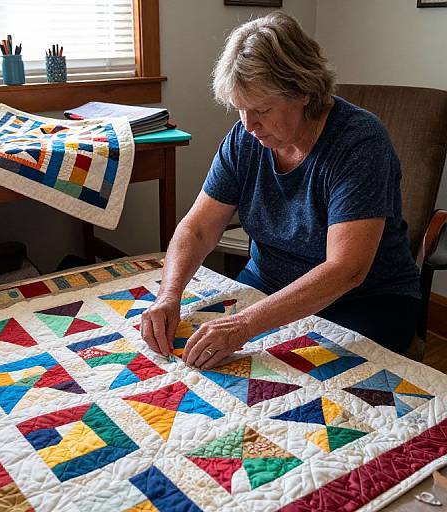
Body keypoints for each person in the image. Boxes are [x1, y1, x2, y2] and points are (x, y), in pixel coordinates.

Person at [140, 12, 421, 368]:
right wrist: (169, 295)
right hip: (266, 283)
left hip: (363, 300)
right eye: (240, 109)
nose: (249, 124)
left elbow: (346, 269)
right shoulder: (245, 139)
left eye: (261, 109)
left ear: (303, 91)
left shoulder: (360, 142)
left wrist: (244, 325)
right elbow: (197, 228)